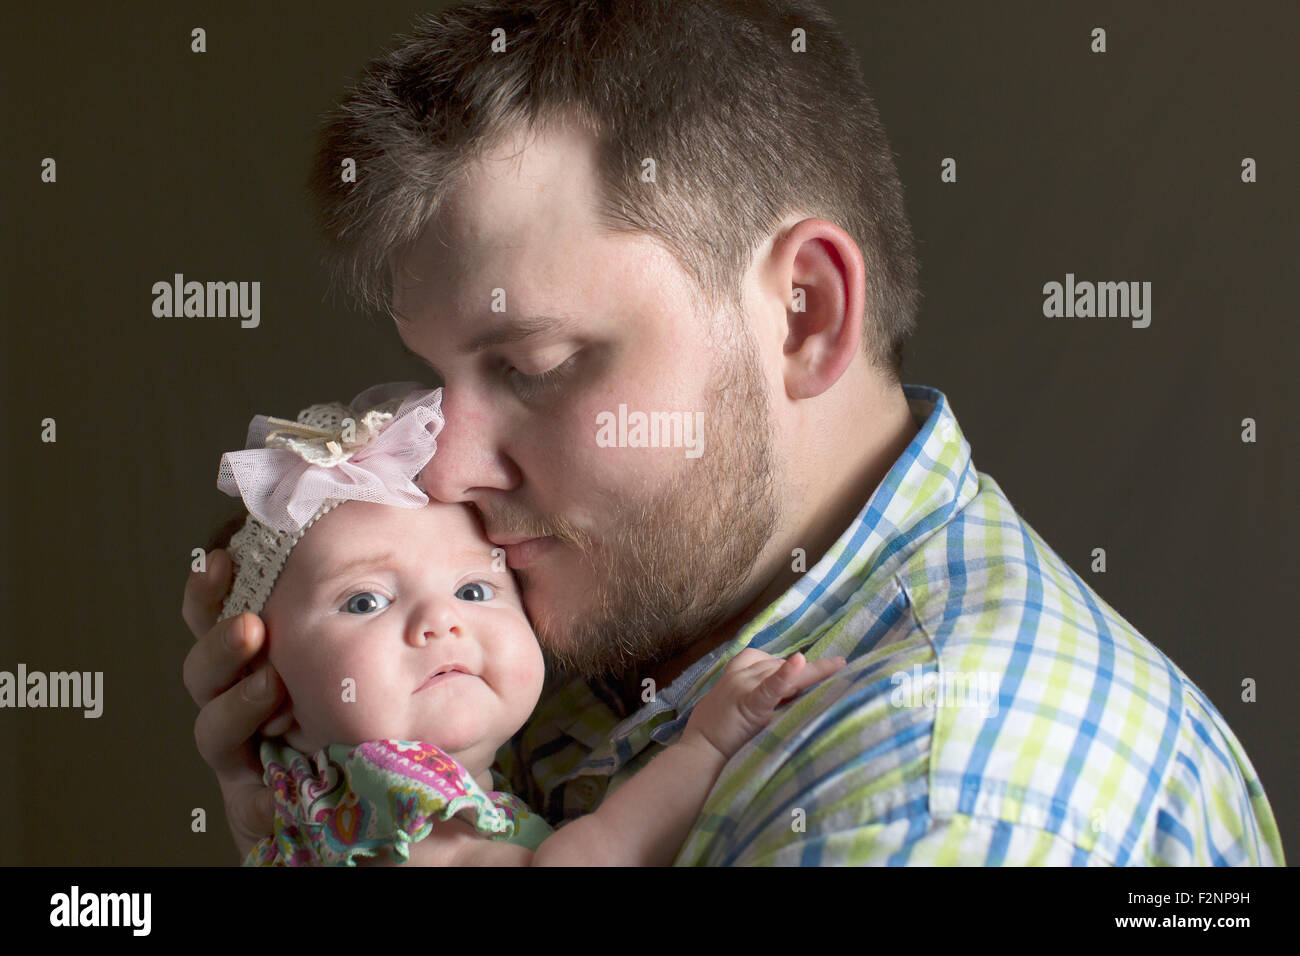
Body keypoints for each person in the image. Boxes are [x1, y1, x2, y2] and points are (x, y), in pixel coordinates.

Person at [183, 0, 1283, 864]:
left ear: (803, 314)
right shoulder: (606, 638)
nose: (451, 468)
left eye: (536, 367)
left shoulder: (939, 798)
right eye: (435, 387)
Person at [213, 381, 845, 865]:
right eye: (364, 601)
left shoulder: (313, 809)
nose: (440, 620)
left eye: (474, 588)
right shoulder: (391, 793)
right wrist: (704, 747)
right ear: (268, 693)